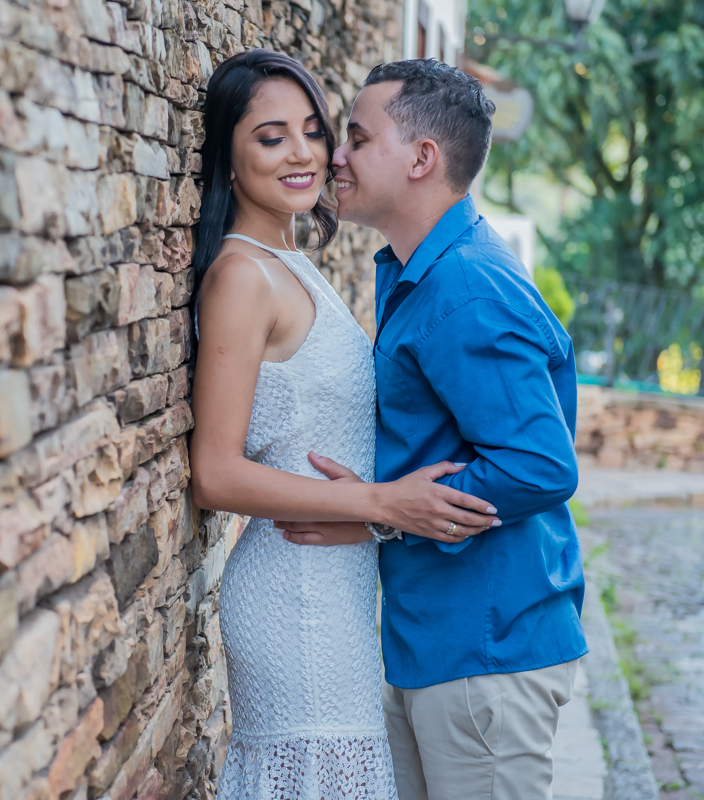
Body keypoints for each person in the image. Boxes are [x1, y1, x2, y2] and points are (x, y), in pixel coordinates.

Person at [188, 50, 501, 799]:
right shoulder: (242, 275)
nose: (303, 153)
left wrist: (377, 519)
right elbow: (215, 473)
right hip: (293, 592)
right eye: (271, 137)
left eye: (314, 130)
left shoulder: (293, 261)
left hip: (337, 588)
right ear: (228, 157)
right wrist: (378, 503)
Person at [279, 59, 589, 800]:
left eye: (356, 138)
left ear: (423, 159)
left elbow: (541, 464)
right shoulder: (424, 270)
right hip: (436, 642)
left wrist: (389, 515)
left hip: (485, 648)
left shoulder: (463, 286)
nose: (336, 156)